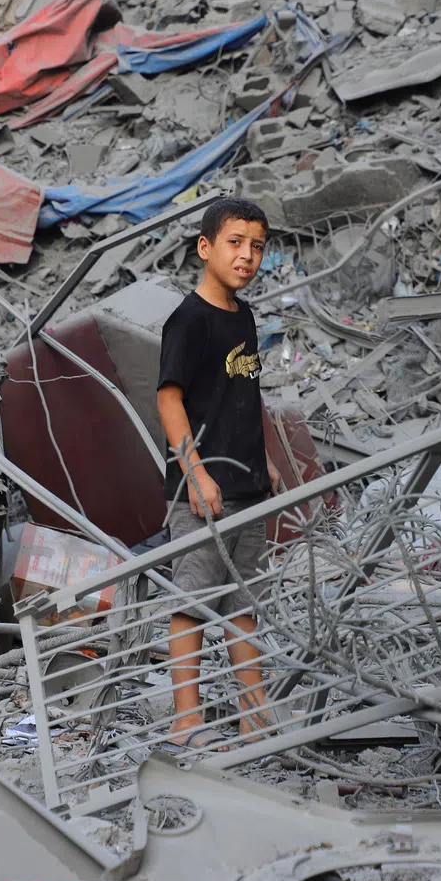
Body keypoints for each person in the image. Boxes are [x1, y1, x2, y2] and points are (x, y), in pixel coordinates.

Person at [156, 196, 282, 751]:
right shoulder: (188, 320)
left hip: (247, 487)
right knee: (192, 604)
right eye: (235, 243)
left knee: (243, 607)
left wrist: (267, 462)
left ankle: (255, 718)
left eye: (257, 246)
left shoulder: (245, 316)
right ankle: (188, 718)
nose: (247, 255)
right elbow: (168, 401)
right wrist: (197, 472)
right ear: (206, 248)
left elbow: (244, 397)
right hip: (202, 491)